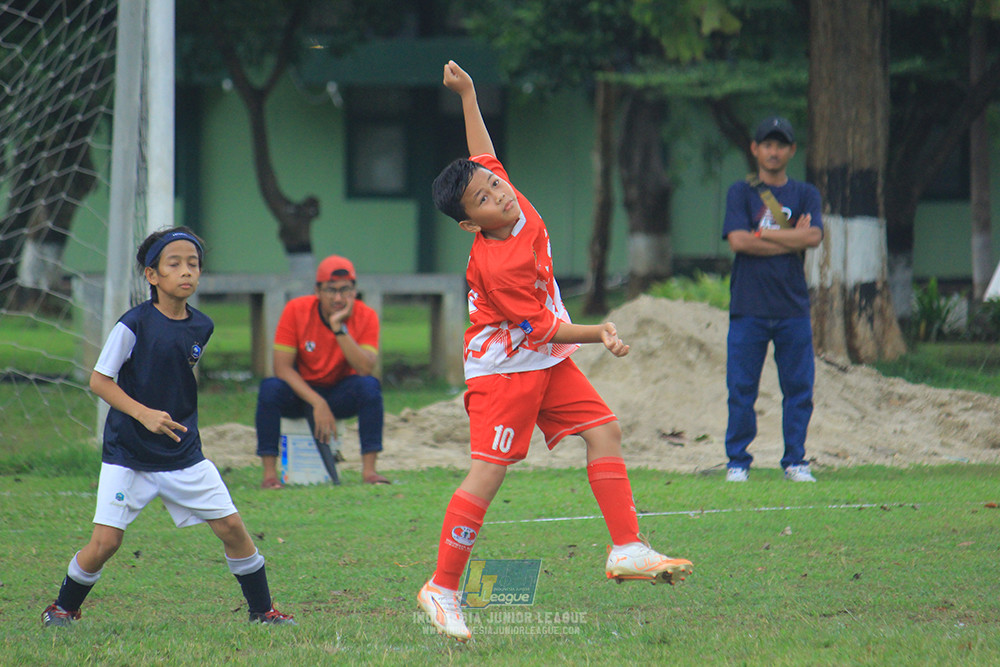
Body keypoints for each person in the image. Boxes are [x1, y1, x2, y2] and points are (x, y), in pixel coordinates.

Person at [416, 61, 693, 643]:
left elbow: (481, 153)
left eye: (497, 185)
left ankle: (626, 548)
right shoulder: (500, 264)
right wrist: (600, 333)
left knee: (604, 431)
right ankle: (441, 589)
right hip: (505, 370)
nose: (500, 194)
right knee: (487, 476)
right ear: (471, 225)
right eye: (485, 198)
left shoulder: (502, 193)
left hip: (539, 361)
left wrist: (468, 94)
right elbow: (543, 330)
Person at [41, 227, 295, 628]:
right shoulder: (133, 325)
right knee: (106, 542)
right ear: (151, 275)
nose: (185, 271)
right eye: (173, 264)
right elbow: (99, 380)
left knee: (232, 527)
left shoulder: (201, 326)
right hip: (129, 452)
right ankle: (62, 609)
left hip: (181, 451)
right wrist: (143, 413)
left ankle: (263, 611)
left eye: (192, 264)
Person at [722, 116, 824, 483]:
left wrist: (759, 236)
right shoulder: (740, 192)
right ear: (755, 149)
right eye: (767, 144)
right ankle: (738, 461)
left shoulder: (806, 194)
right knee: (741, 389)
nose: (774, 151)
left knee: (798, 388)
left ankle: (795, 460)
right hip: (748, 307)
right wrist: (788, 239)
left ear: (792, 150)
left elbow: (813, 238)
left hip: (792, 308)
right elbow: (738, 242)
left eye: (781, 144)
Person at [255, 254, 387, 487]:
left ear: (354, 291)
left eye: (345, 290)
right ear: (317, 291)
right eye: (331, 290)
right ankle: (269, 475)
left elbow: (365, 368)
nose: (338, 298)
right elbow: (282, 368)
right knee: (270, 388)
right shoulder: (296, 310)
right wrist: (317, 402)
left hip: (340, 390)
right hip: (301, 391)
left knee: (370, 387)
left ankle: (369, 472)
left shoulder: (366, 315)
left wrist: (339, 328)